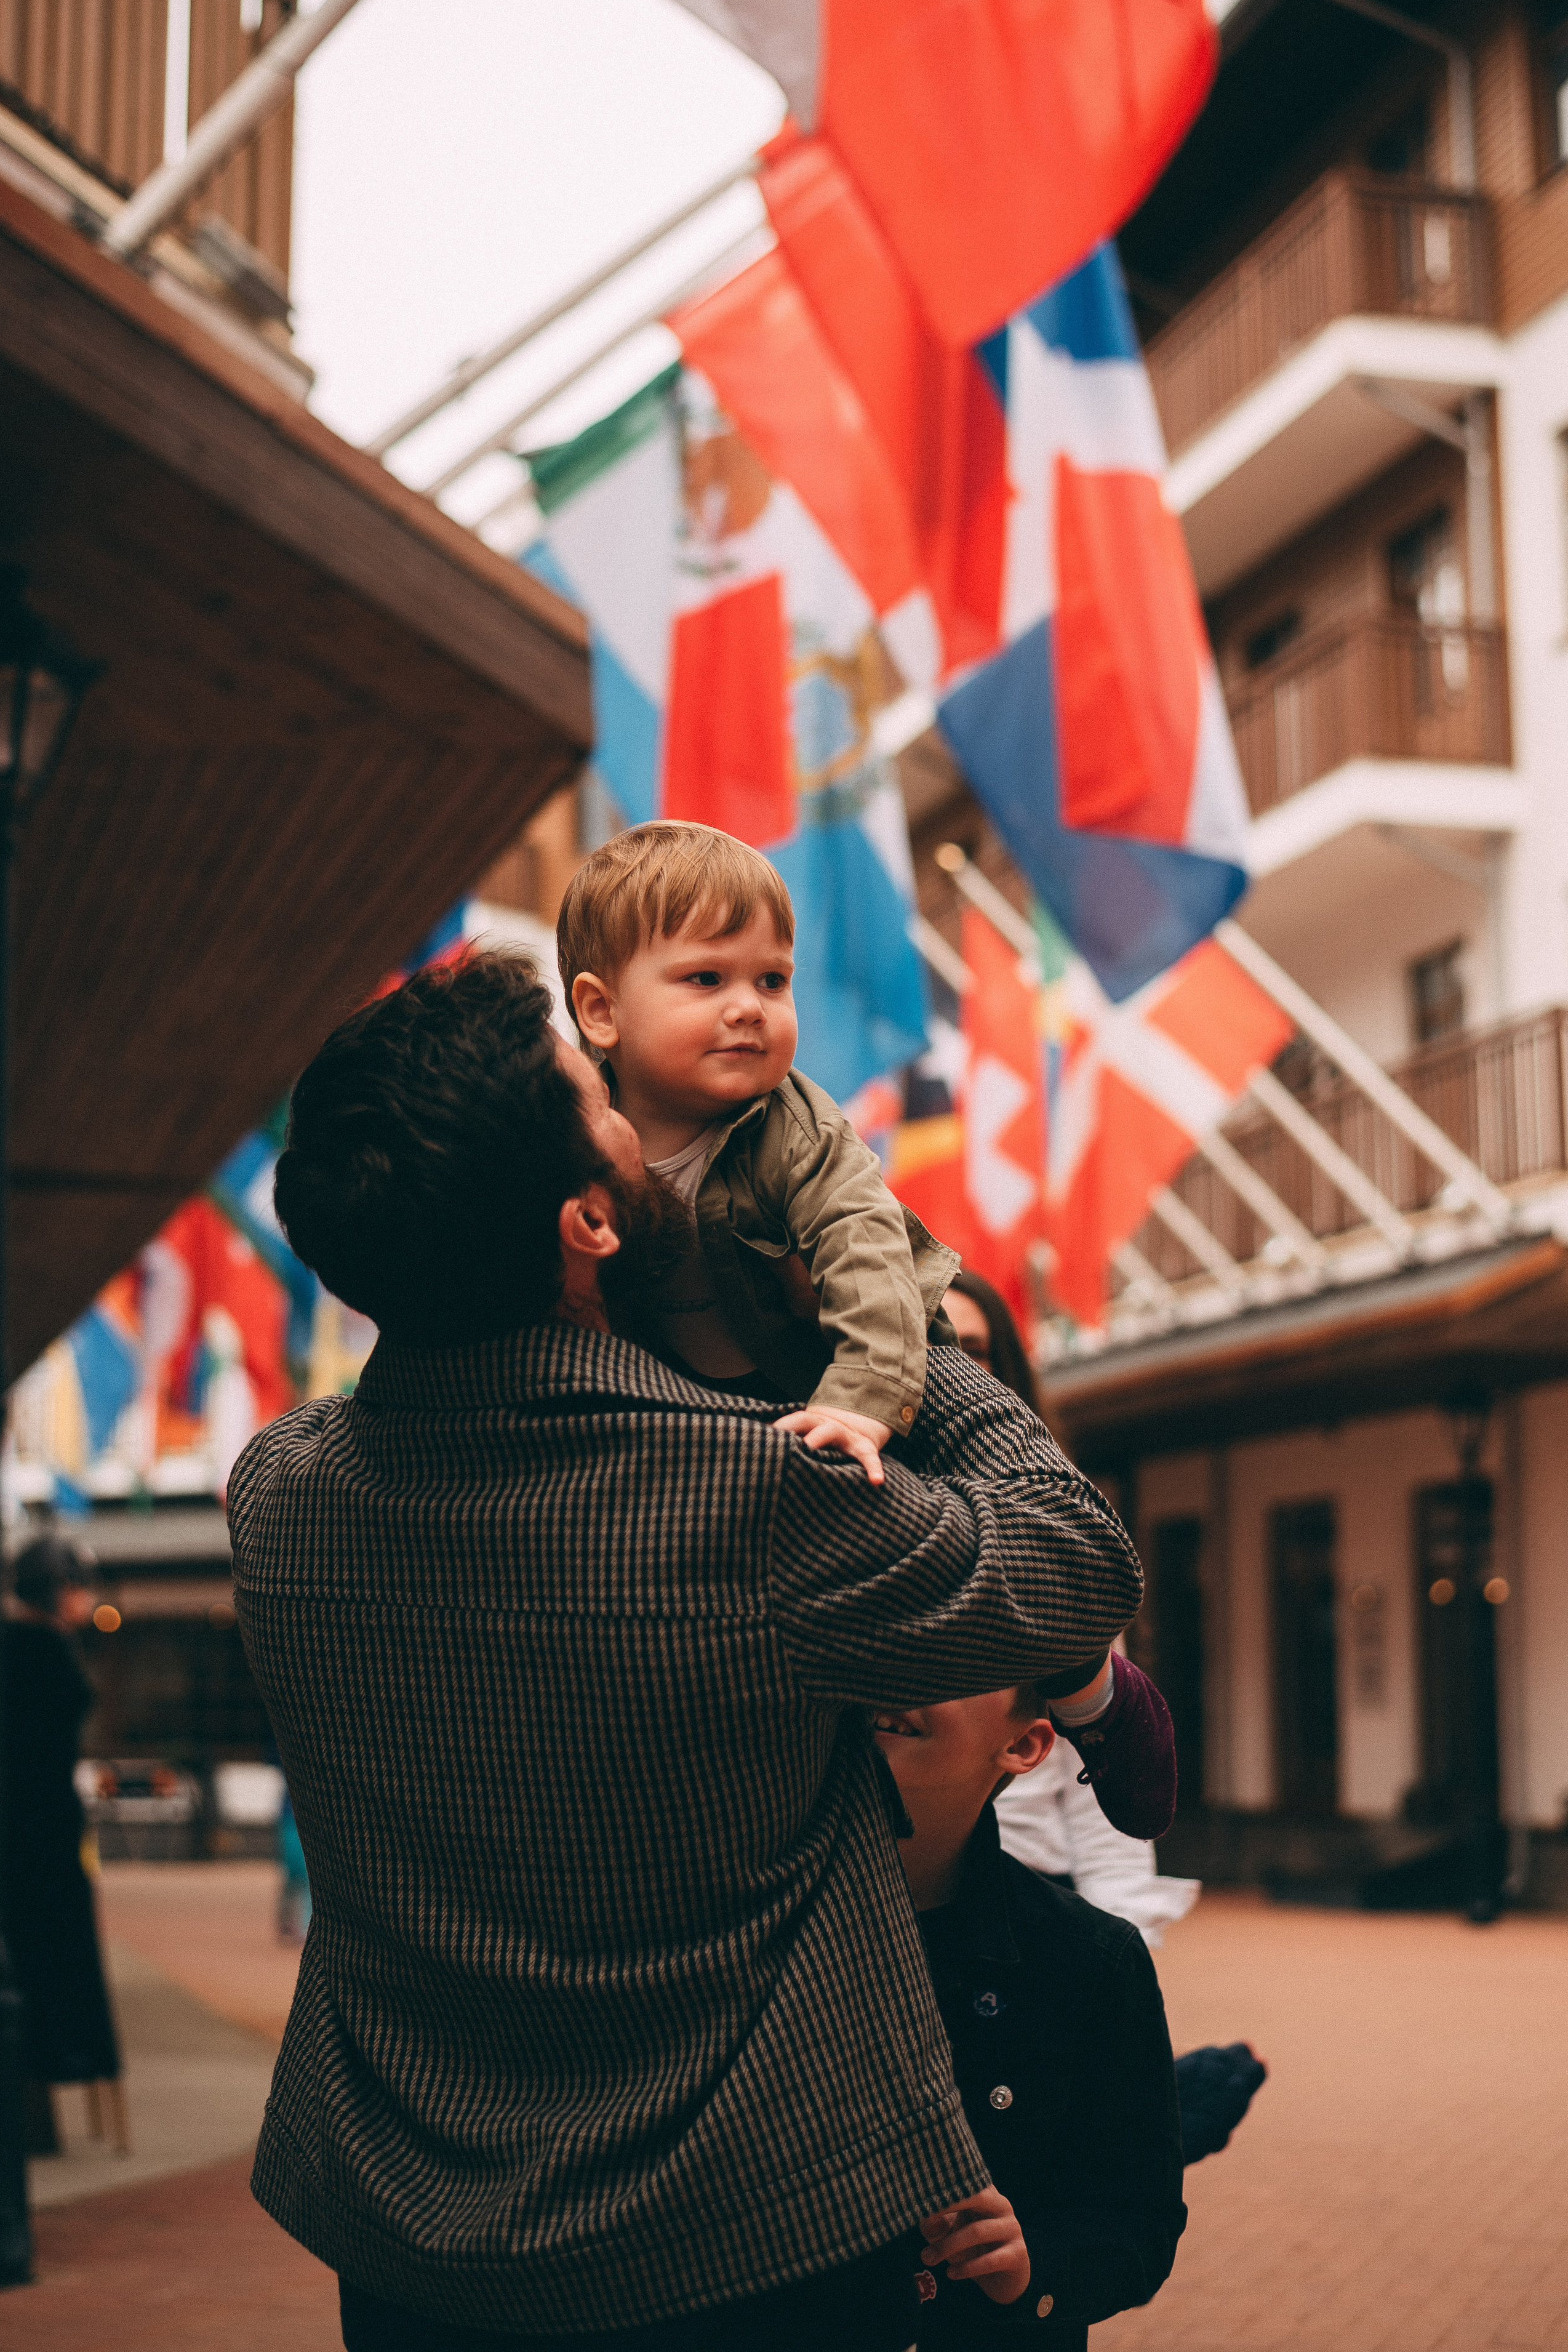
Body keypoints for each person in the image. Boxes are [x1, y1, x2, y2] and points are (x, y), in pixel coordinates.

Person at [233, 950, 1147, 2352]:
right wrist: (880, 1306)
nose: (626, 1102)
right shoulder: (748, 1499)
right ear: (586, 1221)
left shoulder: (280, 1492)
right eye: (592, 1096)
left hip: (409, 2241)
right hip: (746, 2242)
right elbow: (1073, 1560)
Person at [559, 825, 1175, 1844]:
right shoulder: (581, 1138)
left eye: (774, 978)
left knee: (965, 1523)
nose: (750, 1006)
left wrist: (864, 1400)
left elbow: (868, 1260)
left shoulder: (790, 1121)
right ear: (599, 1009)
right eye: (707, 976)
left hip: (862, 1367)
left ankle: (1087, 1688)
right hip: (716, 1410)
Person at [943, 1272, 1267, 2165]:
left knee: (1037, 2166)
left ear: (1004, 1373)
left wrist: (1125, 1954)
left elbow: (1103, 1768)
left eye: (971, 1351)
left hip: (1038, 1896)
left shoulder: (1056, 1532)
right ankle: (1157, 2122)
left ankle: (1145, 2122)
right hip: (897, 1895)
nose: (947, 1367)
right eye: (929, 1339)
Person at [873, 1685, 1186, 2345]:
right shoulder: (745, 1924)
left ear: (1027, 1746)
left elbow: (1134, 2224)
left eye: (958, 1659)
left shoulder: (1090, 1961)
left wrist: (1030, 2267)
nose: (905, 1671)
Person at [0, 1534, 122, 2147]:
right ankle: (60, 2064)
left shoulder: (26, 1645)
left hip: (27, 1823)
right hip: (42, 1827)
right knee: (56, 1956)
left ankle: (45, 2085)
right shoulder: (42, 1648)